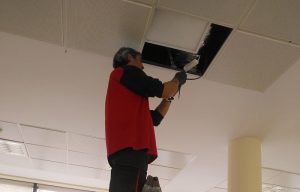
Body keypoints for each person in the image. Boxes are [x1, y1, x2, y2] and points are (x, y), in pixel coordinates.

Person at [105, 47, 187, 192]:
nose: (143, 66)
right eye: (140, 60)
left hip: (128, 157)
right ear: (130, 57)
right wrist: (178, 80)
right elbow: (163, 90)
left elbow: (155, 118)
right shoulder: (124, 71)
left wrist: (171, 95)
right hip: (130, 154)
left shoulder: (129, 100)